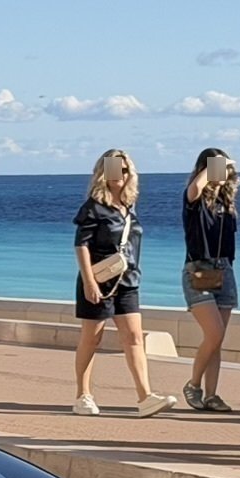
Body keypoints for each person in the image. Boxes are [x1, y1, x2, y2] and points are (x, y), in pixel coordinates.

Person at [70, 149, 175, 418]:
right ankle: (83, 394)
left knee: (134, 337)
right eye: (115, 169)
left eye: (125, 169)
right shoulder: (94, 206)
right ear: (103, 173)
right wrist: (89, 282)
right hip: (100, 281)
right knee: (92, 339)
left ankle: (145, 396)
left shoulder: (129, 207)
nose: (120, 175)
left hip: (128, 281)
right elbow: (81, 245)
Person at [180, 148, 239, 411]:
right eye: (217, 167)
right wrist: (213, 168)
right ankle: (193, 385)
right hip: (200, 268)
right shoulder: (194, 201)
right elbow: (195, 188)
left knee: (218, 339)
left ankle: (212, 395)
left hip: (224, 269)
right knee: (213, 334)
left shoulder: (226, 203)